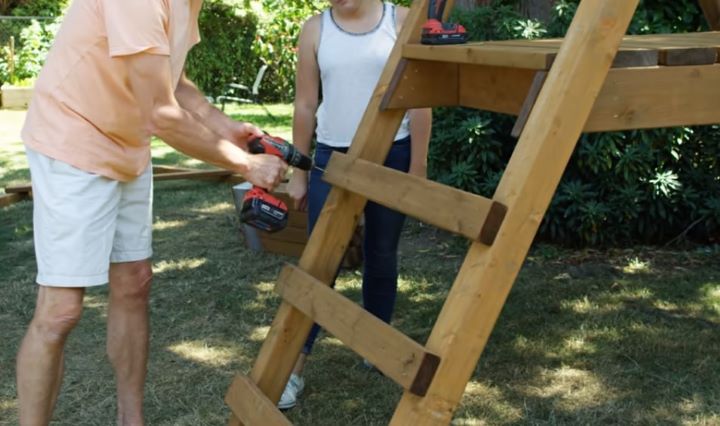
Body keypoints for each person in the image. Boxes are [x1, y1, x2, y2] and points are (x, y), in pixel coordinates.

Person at [15, 1, 288, 424]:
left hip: (126, 142)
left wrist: (224, 127)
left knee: (134, 282)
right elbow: (160, 114)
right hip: (72, 140)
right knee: (61, 311)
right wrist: (247, 165)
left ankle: (131, 420)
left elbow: (171, 82)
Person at [282, 0, 432, 410]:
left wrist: (417, 169)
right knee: (319, 262)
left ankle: (376, 345)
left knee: (382, 253)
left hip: (392, 154)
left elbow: (420, 99)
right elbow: (305, 105)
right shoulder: (314, 30)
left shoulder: (400, 21)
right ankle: (293, 368)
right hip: (331, 159)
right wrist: (298, 171)